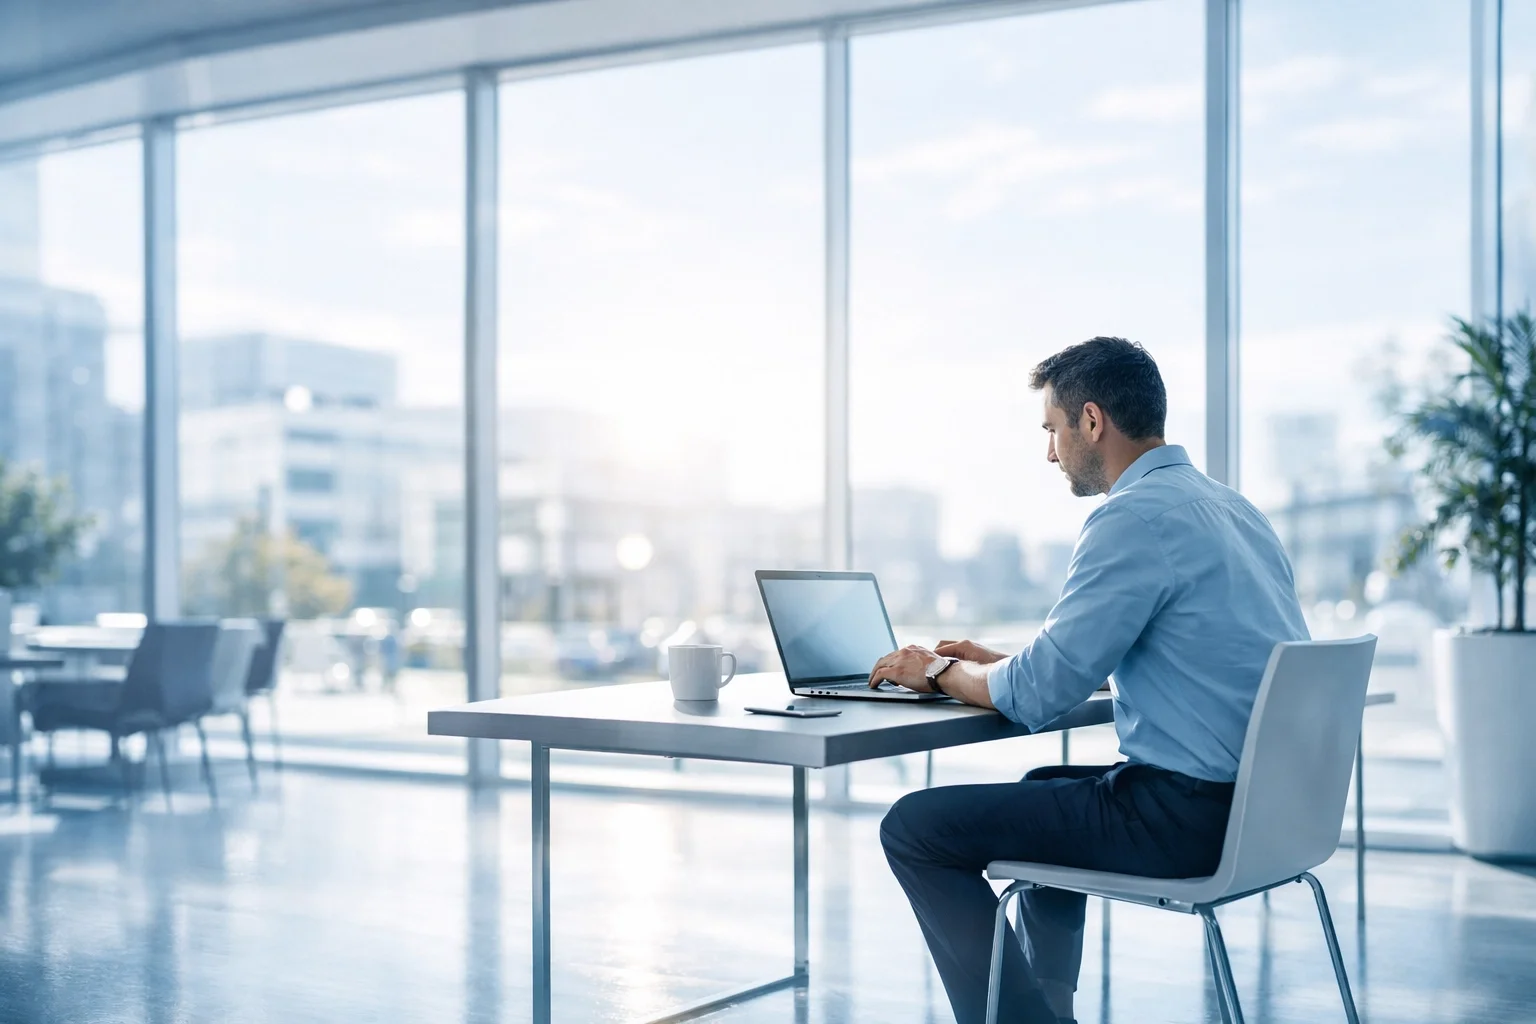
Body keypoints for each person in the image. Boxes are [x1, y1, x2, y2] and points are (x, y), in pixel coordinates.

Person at [869, 336, 1307, 1024]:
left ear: (1092, 421)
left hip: (1186, 821)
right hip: (1264, 813)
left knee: (915, 829)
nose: (1050, 452)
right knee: (1046, 786)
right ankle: (1051, 1008)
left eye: (1052, 429)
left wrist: (935, 671)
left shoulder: (1131, 519)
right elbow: (1180, 657)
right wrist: (1001, 664)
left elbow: (1037, 696)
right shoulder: (1232, 511)